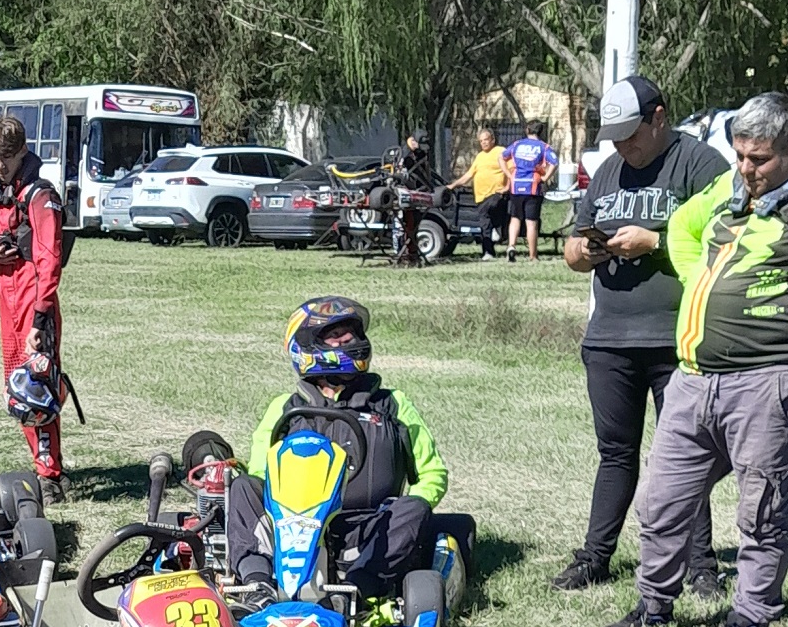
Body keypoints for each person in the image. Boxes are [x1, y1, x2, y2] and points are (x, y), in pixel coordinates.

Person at [600, 92, 788, 627]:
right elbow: (681, 224)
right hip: (695, 379)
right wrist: (701, 277)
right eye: (740, 155)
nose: (745, 169)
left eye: (759, 159)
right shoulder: (731, 186)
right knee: (661, 501)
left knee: (762, 510)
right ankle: (654, 604)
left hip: (770, 380)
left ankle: (750, 622)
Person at [555, 76, 728, 594]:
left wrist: (655, 241)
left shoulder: (699, 165)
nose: (622, 146)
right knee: (615, 453)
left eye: (630, 134)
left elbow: (727, 242)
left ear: (659, 117)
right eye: (614, 137)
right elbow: (571, 251)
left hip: (676, 339)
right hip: (609, 340)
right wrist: (584, 251)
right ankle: (595, 557)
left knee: (686, 456)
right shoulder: (608, 171)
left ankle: (701, 566)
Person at [229, 297, 449, 602]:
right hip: (292, 527)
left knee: (414, 507)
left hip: (370, 529)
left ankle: (354, 593)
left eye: (352, 334)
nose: (349, 340)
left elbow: (432, 473)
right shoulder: (285, 408)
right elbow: (260, 473)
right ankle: (257, 585)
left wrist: (409, 505)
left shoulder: (392, 405)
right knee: (244, 486)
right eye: (336, 335)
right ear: (307, 347)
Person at [0, 114, 69, 500]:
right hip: (7, 302)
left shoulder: (40, 196)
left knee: (37, 385)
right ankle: (42, 465)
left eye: (6, 157)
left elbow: (49, 261)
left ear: (22, 151)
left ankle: (50, 474)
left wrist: (40, 319)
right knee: (17, 389)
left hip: (33, 302)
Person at [447, 126, 509, 261]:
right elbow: (469, 175)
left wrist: (507, 187)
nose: (483, 143)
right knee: (484, 225)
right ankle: (488, 253)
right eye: (481, 141)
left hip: (496, 193)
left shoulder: (501, 152)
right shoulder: (480, 156)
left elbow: (511, 170)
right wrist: (453, 185)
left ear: (492, 139)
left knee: (492, 209)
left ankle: (497, 231)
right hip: (481, 196)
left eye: (486, 140)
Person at [502, 119, 557, 261]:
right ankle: (533, 255)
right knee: (531, 222)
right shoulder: (543, 147)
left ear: (527, 130)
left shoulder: (517, 144)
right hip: (532, 186)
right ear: (541, 132)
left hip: (516, 185)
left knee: (515, 218)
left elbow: (501, 157)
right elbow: (554, 162)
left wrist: (509, 175)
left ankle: (511, 246)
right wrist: (546, 177)